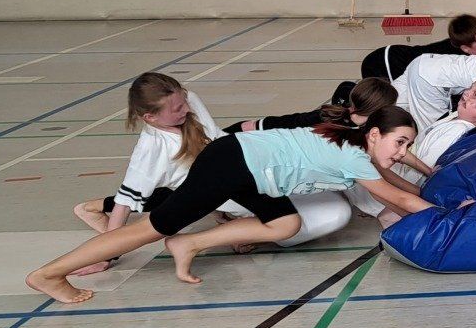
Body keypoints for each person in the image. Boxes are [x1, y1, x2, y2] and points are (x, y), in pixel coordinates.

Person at [26, 108, 434, 302]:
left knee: (285, 224)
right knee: (151, 227)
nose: (402, 152)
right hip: (232, 164)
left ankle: (188, 243)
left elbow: (395, 181)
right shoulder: (354, 157)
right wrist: (449, 216)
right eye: (399, 143)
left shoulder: (353, 141)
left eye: (408, 145)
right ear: (375, 134)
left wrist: (429, 178)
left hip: (247, 167)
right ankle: (49, 274)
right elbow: (396, 196)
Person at [70, 73, 351, 269]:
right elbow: (126, 201)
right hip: (229, 187)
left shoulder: (189, 100)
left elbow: (216, 137)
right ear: (150, 117)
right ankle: (231, 227)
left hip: (240, 166)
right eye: (177, 108)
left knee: (330, 201)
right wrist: (106, 256)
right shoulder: (149, 149)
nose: (185, 109)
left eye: (183, 101)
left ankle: (236, 223)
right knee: (320, 219)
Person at [346, 78, 476, 225]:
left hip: (388, 188)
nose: (467, 95)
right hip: (387, 180)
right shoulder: (457, 117)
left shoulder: (456, 130)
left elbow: (416, 183)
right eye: (471, 89)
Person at [227, 78, 396, 133]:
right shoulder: (341, 130)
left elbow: (346, 86)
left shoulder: (345, 112)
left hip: (258, 127)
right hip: (249, 134)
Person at [359, 14, 476, 81]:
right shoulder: (454, 61)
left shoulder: (457, 44)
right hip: (384, 62)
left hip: (391, 56)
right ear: (466, 48)